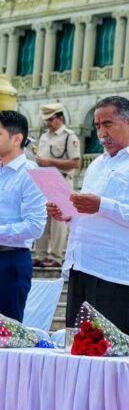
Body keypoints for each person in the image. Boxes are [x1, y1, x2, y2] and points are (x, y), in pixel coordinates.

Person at [47, 96, 129, 334]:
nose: (101, 132)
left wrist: (103, 205)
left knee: (108, 358)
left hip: (114, 275)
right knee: (76, 356)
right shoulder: (96, 165)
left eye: (108, 124)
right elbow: (91, 213)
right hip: (80, 265)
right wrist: (68, 214)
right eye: (97, 126)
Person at [0, 111, 46, 321]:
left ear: (16, 138)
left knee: (6, 334)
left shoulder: (30, 172)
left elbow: (35, 226)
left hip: (10, 261)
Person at [34, 103, 80, 268]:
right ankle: (40, 254)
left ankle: (55, 256)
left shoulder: (69, 136)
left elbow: (75, 163)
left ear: (60, 118)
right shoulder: (45, 136)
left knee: (59, 219)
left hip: (61, 179)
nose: (48, 123)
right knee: (42, 217)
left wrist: (49, 162)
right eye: (46, 120)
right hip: (44, 179)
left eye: (51, 119)